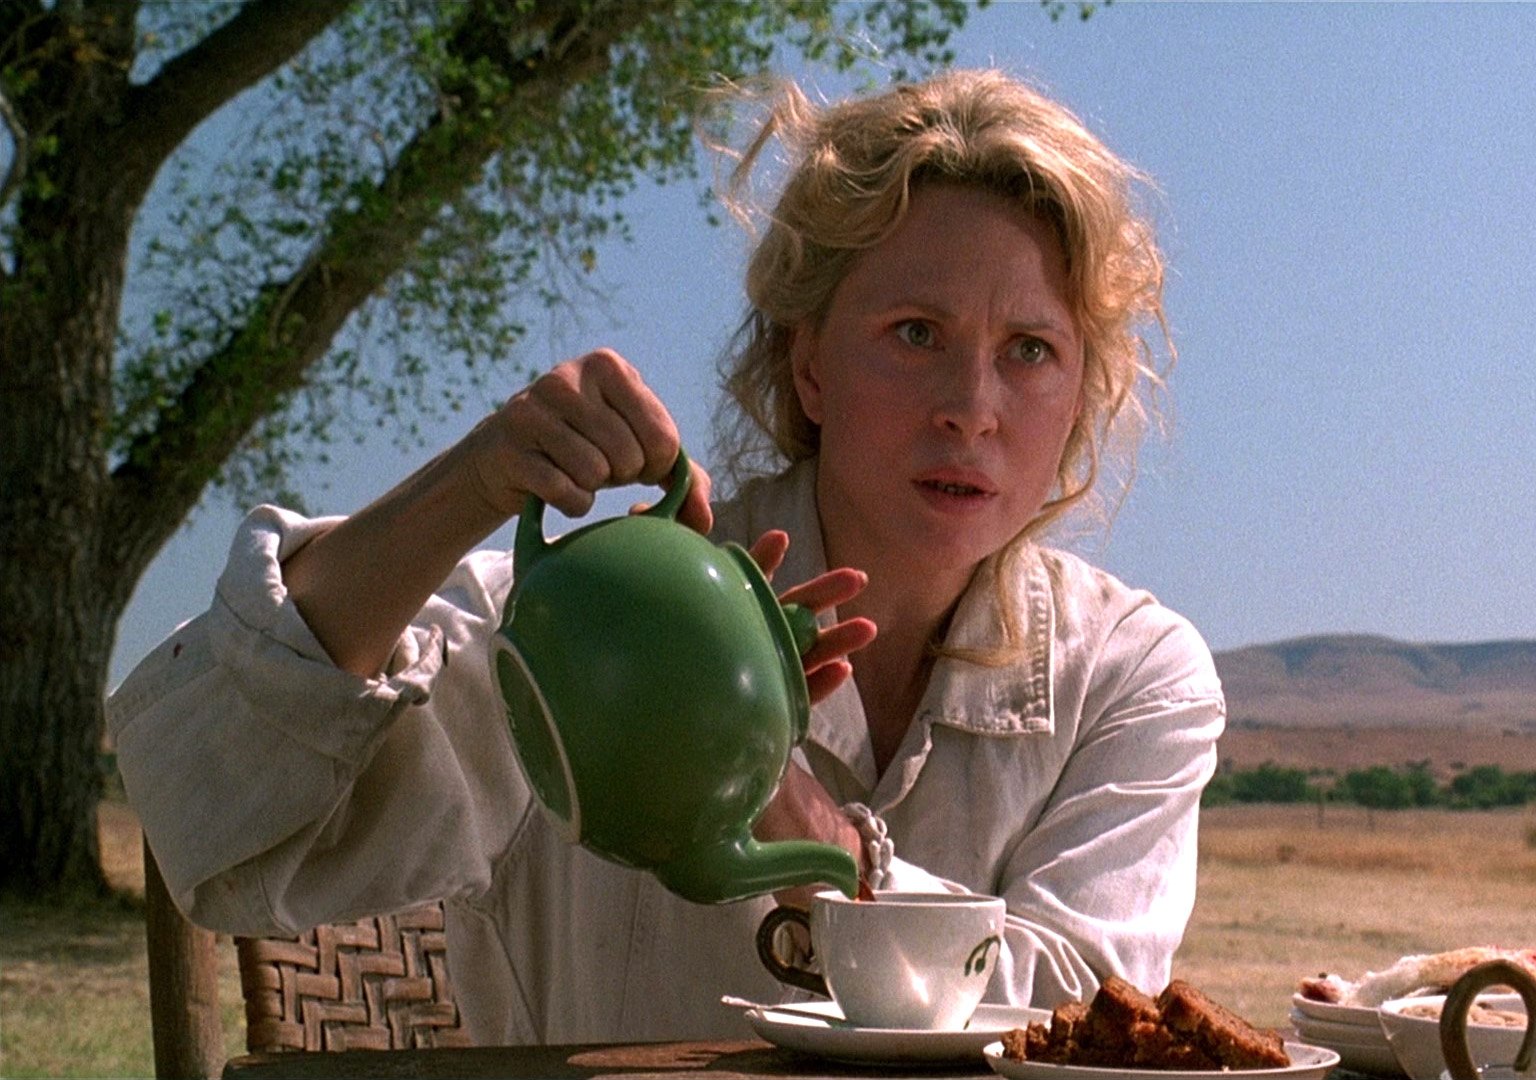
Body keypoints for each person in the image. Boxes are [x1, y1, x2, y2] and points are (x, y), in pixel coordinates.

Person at [111, 68, 1224, 1045]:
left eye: (1029, 350)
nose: (971, 407)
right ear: (811, 366)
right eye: (916, 333)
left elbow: (1094, 1025)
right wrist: (471, 486)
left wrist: (791, 815)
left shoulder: (1129, 673)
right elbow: (209, 822)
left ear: (1080, 394)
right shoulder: (594, 621)